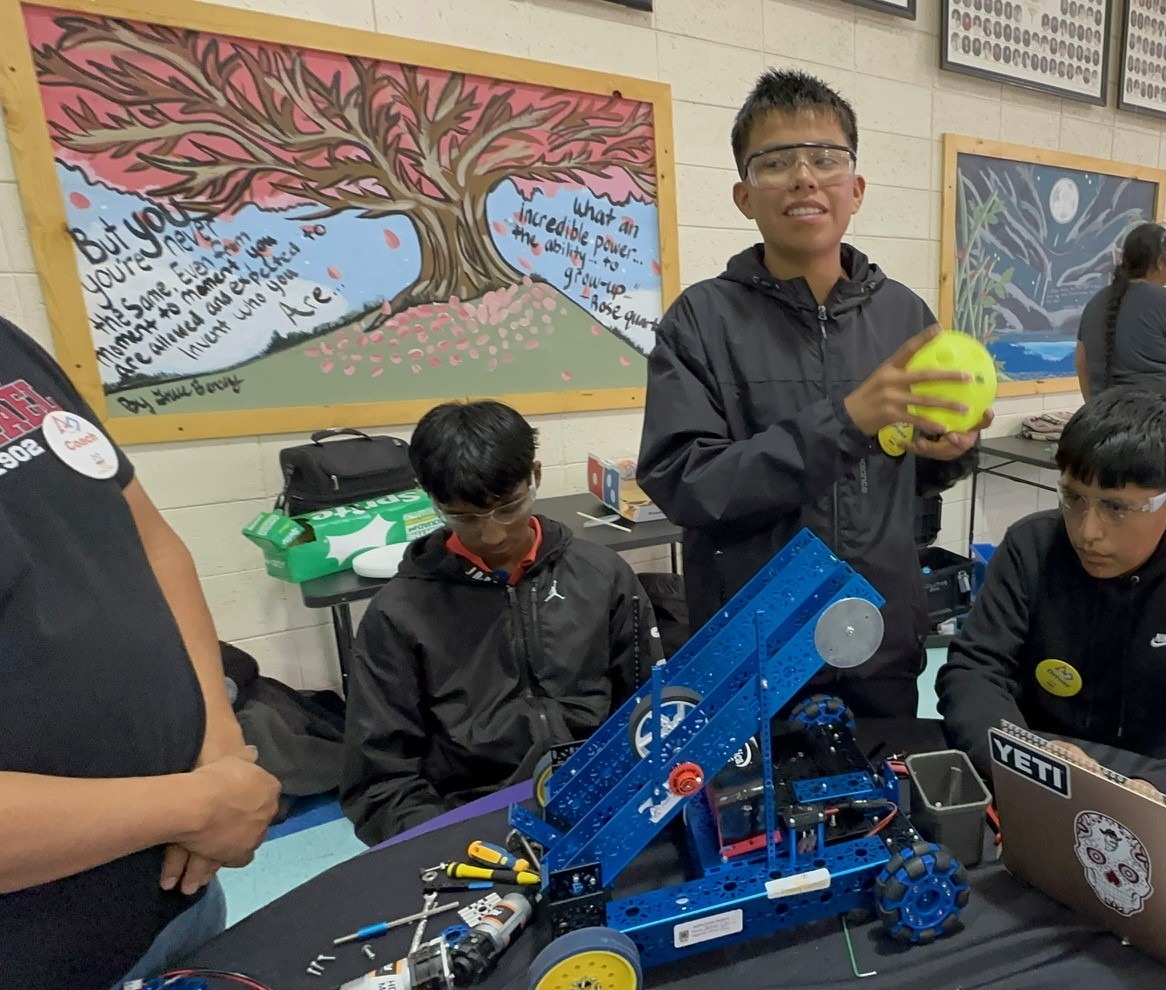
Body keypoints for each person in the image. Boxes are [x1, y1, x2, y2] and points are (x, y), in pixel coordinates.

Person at [638, 70, 989, 719]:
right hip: (753, 653)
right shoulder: (700, 322)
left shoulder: (904, 316)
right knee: (754, 818)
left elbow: (907, 474)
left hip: (878, 642)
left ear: (855, 188)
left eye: (825, 158)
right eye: (776, 162)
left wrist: (951, 449)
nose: (804, 176)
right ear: (744, 195)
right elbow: (685, 483)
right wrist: (848, 420)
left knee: (881, 810)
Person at [0, 316, 280, 990]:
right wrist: (193, 805)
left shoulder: (10, 346)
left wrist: (217, 739)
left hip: (179, 896)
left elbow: (149, 538)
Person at [937, 387, 1166, 820]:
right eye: (1073, 498)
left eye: (1116, 508)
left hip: (1157, 792)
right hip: (1032, 775)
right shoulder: (1029, 547)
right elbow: (973, 671)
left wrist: (1163, 790)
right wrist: (1026, 754)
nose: (1088, 531)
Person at [342, 400, 655, 845]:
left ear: (536, 476)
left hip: (601, 800)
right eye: (464, 517)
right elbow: (379, 780)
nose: (492, 535)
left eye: (508, 507)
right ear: (431, 499)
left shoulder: (603, 575)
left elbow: (647, 711)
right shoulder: (398, 614)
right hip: (468, 821)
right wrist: (443, 842)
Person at [1075, 221, 1166, 465]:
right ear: (1160, 261)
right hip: (1165, 437)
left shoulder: (1096, 302)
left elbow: (1081, 363)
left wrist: (1098, 412)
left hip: (1107, 436)